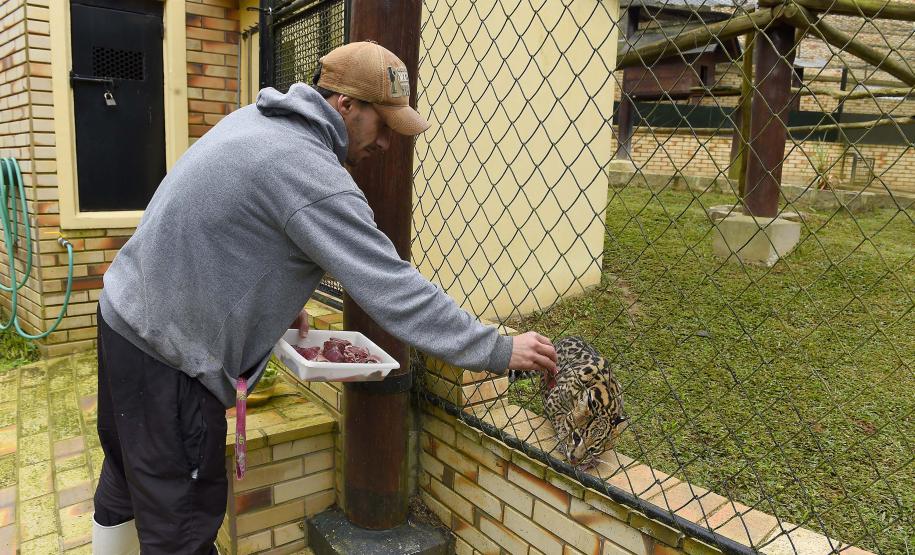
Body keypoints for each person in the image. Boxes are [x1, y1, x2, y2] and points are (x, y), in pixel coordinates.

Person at [91, 40, 558, 554]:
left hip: (123, 320)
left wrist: (274, 301)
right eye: (383, 124)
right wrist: (496, 349)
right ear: (346, 106)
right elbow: (393, 288)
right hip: (169, 361)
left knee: (126, 476)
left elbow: (228, 226)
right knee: (181, 525)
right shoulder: (311, 173)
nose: (386, 143)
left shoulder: (258, 120)